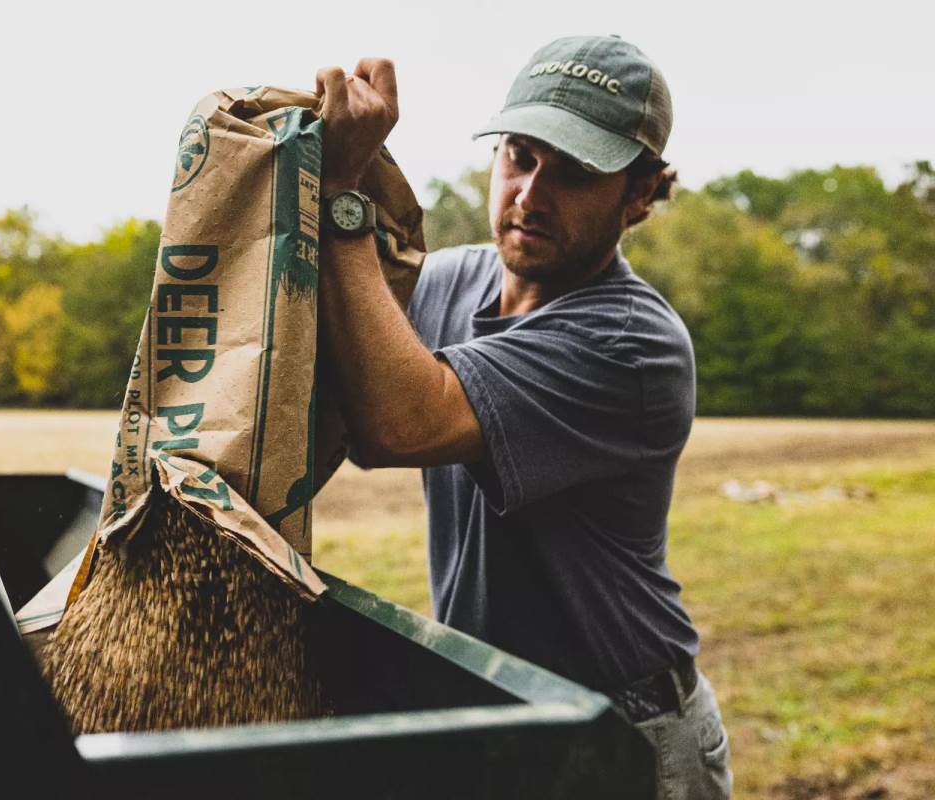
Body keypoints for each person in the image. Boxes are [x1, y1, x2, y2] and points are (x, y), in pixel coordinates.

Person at [314, 35, 732, 798]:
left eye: (576, 174)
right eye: (521, 155)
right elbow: (330, 360)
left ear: (639, 195)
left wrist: (342, 192)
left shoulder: (631, 344)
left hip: (623, 736)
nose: (531, 195)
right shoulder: (448, 280)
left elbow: (398, 424)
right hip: (505, 712)